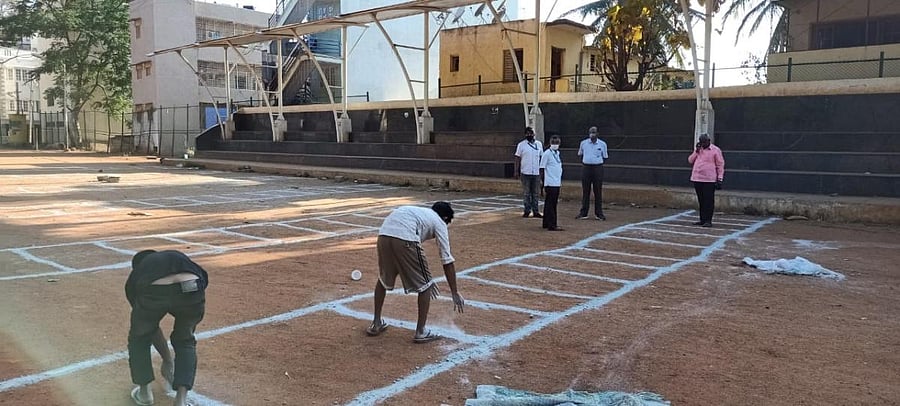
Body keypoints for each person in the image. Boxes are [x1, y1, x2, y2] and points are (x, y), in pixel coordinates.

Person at [367, 202, 465, 343]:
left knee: (383, 279)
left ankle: (376, 323)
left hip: (383, 236)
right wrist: (454, 292)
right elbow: (447, 260)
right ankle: (421, 331)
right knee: (426, 285)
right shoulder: (439, 222)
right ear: (445, 217)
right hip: (405, 238)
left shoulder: (420, 212)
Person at [126, 250, 208, 406]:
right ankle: (181, 400)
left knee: (139, 339)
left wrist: (167, 360)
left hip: (155, 290)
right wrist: (168, 360)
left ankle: (145, 394)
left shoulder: (137, 277)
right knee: (186, 340)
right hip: (192, 285)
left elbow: (149, 328)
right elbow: (203, 279)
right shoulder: (176, 257)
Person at [688, 134, 725, 227]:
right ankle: (702, 219)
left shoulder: (716, 150)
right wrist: (696, 151)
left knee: (708, 200)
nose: (703, 144)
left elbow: (720, 165)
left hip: (709, 179)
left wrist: (720, 179)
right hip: (697, 178)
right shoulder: (698, 150)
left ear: (709, 141)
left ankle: (708, 220)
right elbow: (690, 160)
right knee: (701, 200)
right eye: (701, 142)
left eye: (705, 142)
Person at [576, 126, 609, 220]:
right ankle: (584, 212)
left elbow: (605, 157)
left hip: (598, 168)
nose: (592, 134)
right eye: (591, 132)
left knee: (598, 191)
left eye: (594, 132)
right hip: (586, 167)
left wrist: (596, 163)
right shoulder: (583, 143)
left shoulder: (602, 144)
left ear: (597, 134)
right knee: (585, 191)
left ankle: (599, 213)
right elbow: (580, 154)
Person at [514, 127, 543, 218]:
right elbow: (517, 158)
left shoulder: (539, 144)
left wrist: (542, 172)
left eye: (531, 133)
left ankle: (536, 211)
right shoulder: (521, 145)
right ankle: (527, 210)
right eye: (527, 133)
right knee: (526, 193)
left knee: (535, 193)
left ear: (534, 134)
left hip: (536, 172)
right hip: (525, 172)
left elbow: (541, 158)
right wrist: (516, 170)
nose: (529, 135)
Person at [539, 135, 564, 231]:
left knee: (550, 203)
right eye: (553, 143)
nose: (555, 145)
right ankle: (552, 224)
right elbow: (542, 168)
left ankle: (546, 222)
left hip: (556, 182)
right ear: (550, 143)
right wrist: (542, 181)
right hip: (550, 182)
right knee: (551, 204)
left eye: (557, 143)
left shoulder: (557, 153)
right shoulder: (547, 153)